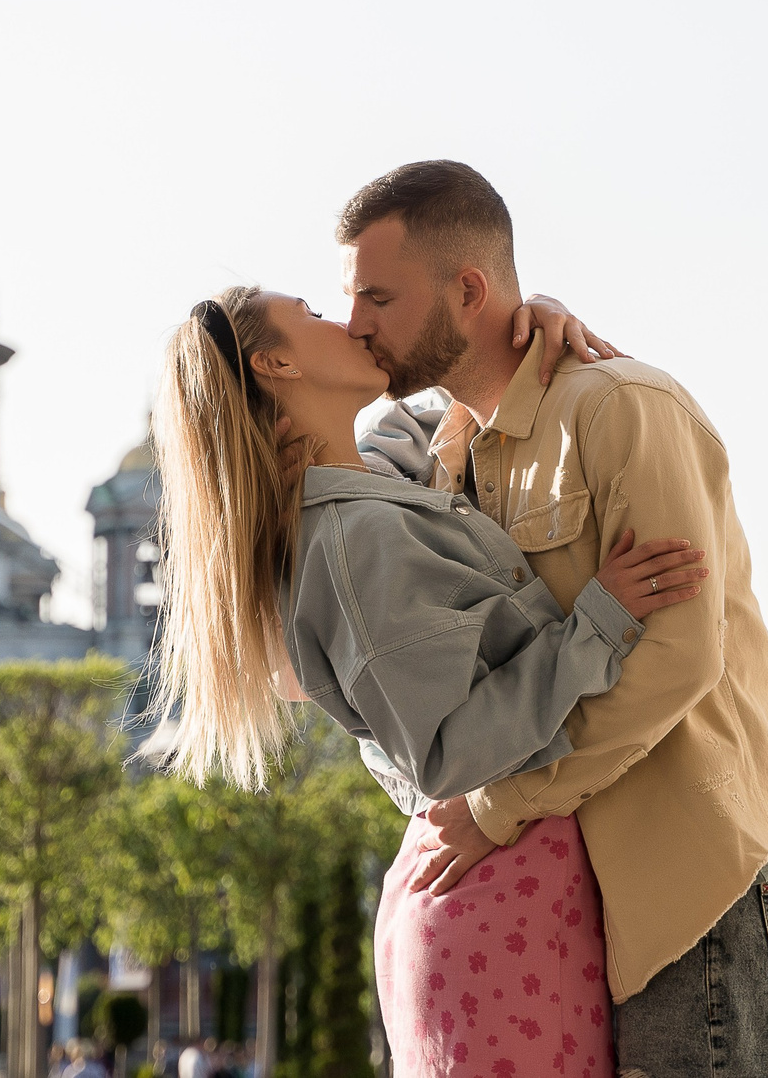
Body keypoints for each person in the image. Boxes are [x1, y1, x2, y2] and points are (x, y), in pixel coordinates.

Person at [339, 160, 768, 1078]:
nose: (356, 321)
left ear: (471, 289)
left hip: (710, 894)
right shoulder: (445, 460)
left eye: (378, 295)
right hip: (604, 915)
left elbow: (680, 659)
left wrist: (502, 806)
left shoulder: (620, 406)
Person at [151, 283, 708, 1078]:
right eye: (312, 314)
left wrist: (528, 329)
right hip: (504, 894)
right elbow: (448, 751)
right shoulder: (353, 541)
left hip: (503, 889)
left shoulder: (362, 491)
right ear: (277, 363)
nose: (344, 321)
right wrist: (598, 621)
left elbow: (439, 416)